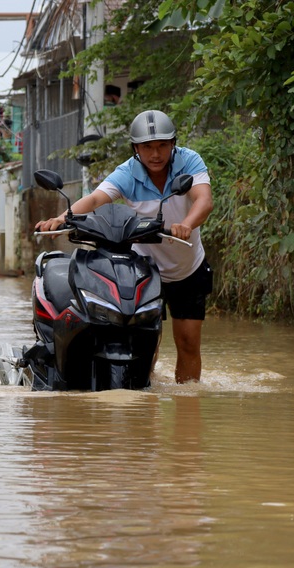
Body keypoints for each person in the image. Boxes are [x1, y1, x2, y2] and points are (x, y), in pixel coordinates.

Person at [35, 109, 214, 383]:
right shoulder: (127, 173)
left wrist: (187, 224)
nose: (156, 154)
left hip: (187, 270)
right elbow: (95, 200)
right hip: (146, 270)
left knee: (188, 342)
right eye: (147, 147)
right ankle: (144, 405)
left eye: (162, 146)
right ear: (135, 149)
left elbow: (203, 200)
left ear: (173, 144)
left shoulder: (189, 162)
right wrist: (61, 219)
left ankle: (188, 409)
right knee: (144, 343)